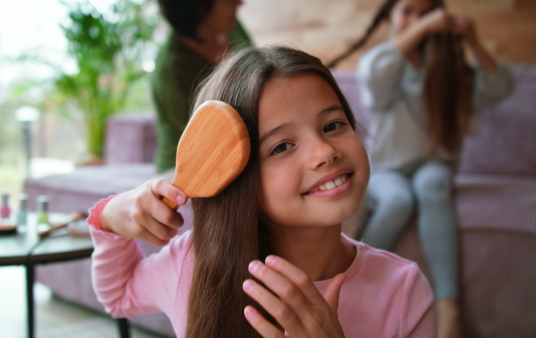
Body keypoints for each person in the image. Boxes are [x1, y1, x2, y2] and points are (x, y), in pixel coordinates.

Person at [88, 45, 436, 337]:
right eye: (282, 146)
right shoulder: (193, 264)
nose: (324, 151)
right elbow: (118, 294)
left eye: (333, 125)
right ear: (238, 179)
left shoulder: (403, 291)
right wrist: (109, 216)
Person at [326, 0, 514, 337]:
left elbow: (500, 85)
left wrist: (472, 41)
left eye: (424, 14)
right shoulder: (385, 65)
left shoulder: (446, 70)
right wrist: (425, 27)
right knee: (398, 200)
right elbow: (374, 69)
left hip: (432, 165)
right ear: (389, 16)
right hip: (386, 171)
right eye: (407, 11)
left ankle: (449, 305)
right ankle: (346, 281)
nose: (416, 20)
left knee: (433, 185)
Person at [151, 0, 252, 174]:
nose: (240, 3)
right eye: (228, 1)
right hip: (187, 168)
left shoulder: (233, 28)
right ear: (197, 7)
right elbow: (207, 143)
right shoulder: (173, 68)